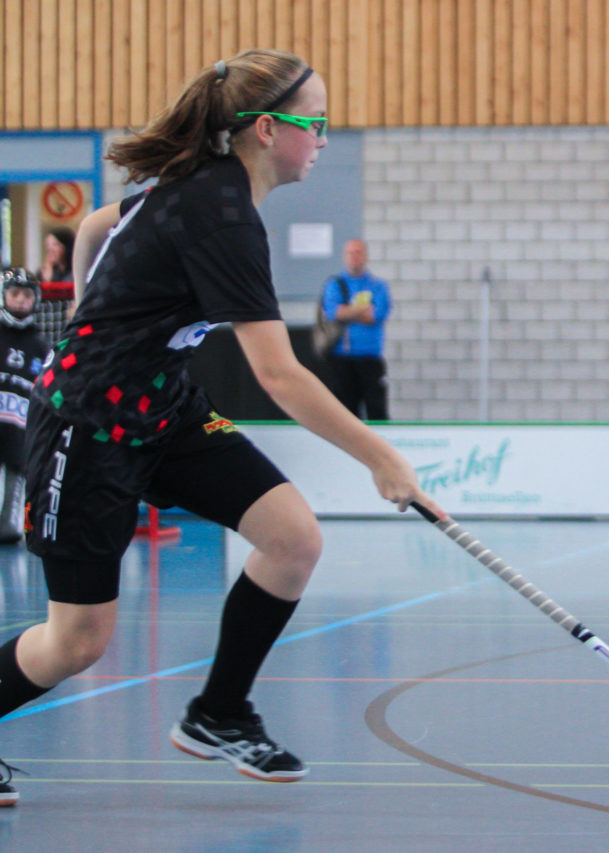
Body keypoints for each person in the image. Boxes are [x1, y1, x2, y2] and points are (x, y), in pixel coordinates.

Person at [0, 49, 446, 807]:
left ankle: (218, 711)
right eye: (318, 124)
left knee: (292, 538)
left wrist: (84, 311)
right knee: (76, 641)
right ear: (269, 129)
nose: (326, 140)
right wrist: (381, 456)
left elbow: (103, 224)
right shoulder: (224, 215)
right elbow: (280, 374)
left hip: (159, 407)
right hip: (86, 424)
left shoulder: (201, 188)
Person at [0, 269, 50, 544]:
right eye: (14, 293)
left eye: (27, 295)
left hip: (18, 439)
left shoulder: (41, 348)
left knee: (8, 531)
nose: (20, 300)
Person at [320, 239, 391, 420]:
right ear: (345, 257)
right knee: (345, 413)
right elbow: (334, 313)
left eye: (358, 252)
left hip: (370, 357)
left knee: (376, 410)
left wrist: (349, 311)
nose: (354, 257)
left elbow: (375, 315)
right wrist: (362, 309)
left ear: (365, 256)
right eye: (350, 253)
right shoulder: (335, 284)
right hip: (342, 357)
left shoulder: (378, 286)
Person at [34, 226, 76, 342]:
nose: (51, 250)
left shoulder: (75, 271)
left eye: (55, 245)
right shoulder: (44, 272)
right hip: (47, 326)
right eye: (48, 246)